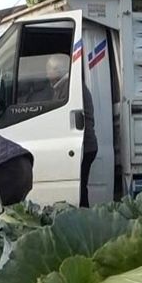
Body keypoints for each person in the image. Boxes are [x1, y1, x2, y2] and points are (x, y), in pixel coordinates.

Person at [20, 54, 99, 207]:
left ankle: (83, 216)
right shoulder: (66, 86)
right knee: (81, 188)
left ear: (58, 71)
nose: (47, 74)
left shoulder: (68, 88)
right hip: (87, 144)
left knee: (80, 189)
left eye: (49, 70)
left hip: (84, 144)